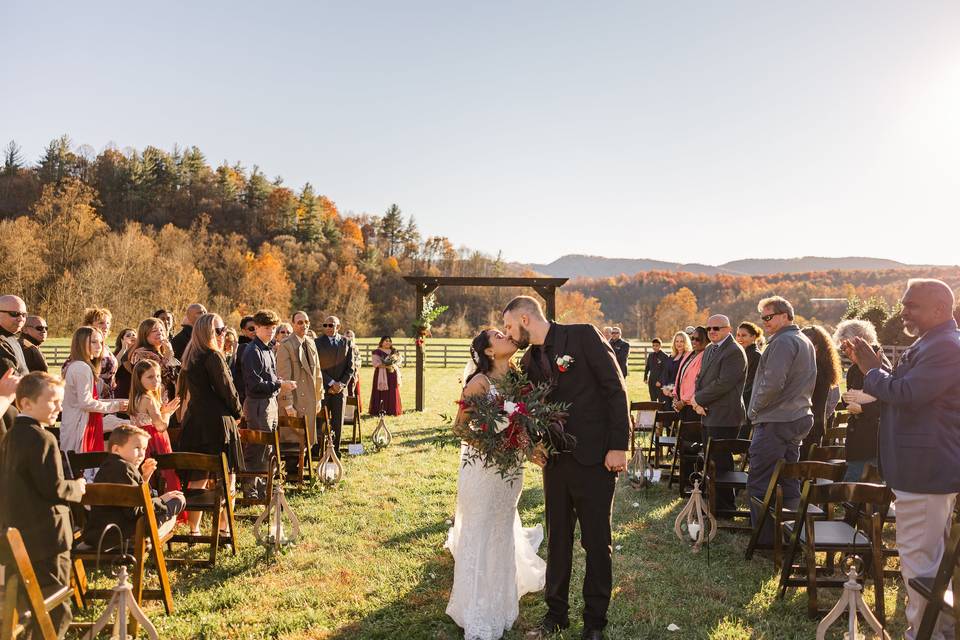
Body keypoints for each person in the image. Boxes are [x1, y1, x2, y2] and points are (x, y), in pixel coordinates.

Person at [503, 296, 629, 640]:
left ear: (526, 319)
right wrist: (533, 444)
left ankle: (594, 623)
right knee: (557, 540)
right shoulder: (529, 359)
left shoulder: (583, 336)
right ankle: (555, 615)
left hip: (596, 459)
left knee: (596, 541)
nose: (509, 335)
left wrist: (619, 446)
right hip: (555, 463)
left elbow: (615, 390)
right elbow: (527, 409)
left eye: (510, 327)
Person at [845, 278, 960, 640]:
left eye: (911, 305)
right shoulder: (931, 342)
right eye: (903, 304)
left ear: (940, 309)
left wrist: (871, 370)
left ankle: (922, 634)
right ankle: (938, 629)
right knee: (930, 559)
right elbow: (911, 388)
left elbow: (909, 394)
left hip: (924, 470)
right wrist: (881, 368)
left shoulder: (946, 347)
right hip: (919, 468)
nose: (903, 311)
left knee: (919, 561)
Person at [445, 329, 546, 639]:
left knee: (502, 529)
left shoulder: (517, 380)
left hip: (510, 472)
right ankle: (475, 606)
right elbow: (459, 428)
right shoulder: (478, 383)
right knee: (481, 531)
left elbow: (522, 423)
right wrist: (491, 445)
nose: (507, 336)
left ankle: (501, 602)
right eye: (499, 335)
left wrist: (529, 451)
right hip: (484, 470)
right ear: (488, 352)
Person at [0, 372, 86, 638]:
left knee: (28, 600)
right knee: (58, 604)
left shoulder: (11, 436)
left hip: (20, 533)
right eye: (52, 402)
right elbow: (55, 488)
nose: (59, 408)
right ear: (25, 403)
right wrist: (79, 488)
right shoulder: (42, 438)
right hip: (48, 537)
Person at [745, 296, 816, 545]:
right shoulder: (803, 340)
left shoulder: (783, 342)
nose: (764, 322)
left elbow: (772, 383)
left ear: (785, 315)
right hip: (797, 417)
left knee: (759, 480)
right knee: (788, 479)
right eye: (762, 318)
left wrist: (754, 409)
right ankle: (794, 536)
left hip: (775, 420)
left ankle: (765, 540)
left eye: (769, 317)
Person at [177, 313, 243, 536]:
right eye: (219, 331)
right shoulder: (213, 356)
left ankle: (194, 530)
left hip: (195, 422)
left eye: (223, 330)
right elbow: (227, 389)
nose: (223, 334)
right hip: (217, 423)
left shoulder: (190, 356)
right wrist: (238, 412)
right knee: (227, 477)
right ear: (208, 333)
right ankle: (225, 529)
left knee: (198, 477)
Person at [81, 424, 185, 547]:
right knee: (177, 500)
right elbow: (135, 511)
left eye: (144, 448)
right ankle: (148, 540)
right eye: (137, 448)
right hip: (124, 533)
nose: (142, 454)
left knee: (169, 505)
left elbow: (133, 499)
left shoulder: (108, 466)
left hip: (101, 533)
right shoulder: (125, 467)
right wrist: (162, 500)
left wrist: (144, 478)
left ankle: (149, 537)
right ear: (116, 449)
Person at [691, 315, 747, 512]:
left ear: (728, 329)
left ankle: (725, 507)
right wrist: (697, 401)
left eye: (717, 328)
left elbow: (723, 384)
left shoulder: (734, 351)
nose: (712, 331)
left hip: (725, 416)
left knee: (721, 462)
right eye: (709, 329)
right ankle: (711, 500)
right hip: (707, 412)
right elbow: (700, 378)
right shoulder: (709, 349)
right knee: (710, 459)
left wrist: (699, 400)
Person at [241, 309, 296, 497]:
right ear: (256, 328)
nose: (270, 331)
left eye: (273, 328)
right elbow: (254, 385)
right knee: (257, 448)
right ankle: (250, 491)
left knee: (269, 447)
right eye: (266, 328)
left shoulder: (268, 348)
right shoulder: (252, 351)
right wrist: (280, 383)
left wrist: (278, 382)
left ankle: (264, 488)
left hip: (270, 403)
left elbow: (269, 377)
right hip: (257, 405)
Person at [833, 319, 889, 482]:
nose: (845, 352)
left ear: (860, 342)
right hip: (857, 441)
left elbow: (889, 403)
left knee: (854, 493)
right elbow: (851, 397)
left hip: (872, 442)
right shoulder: (853, 369)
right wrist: (847, 401)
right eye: (842, 348)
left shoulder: (880, 366)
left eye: (847, 347)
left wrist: (862, 408)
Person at [60, 326, 127, 455]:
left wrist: (120, 402)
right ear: (80, 343)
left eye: (101, 343)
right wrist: (116, 406)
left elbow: (90, 400)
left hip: (80, 423)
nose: (99, 346)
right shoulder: (81, 368)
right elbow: (86, 403)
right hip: (79, 428)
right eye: (93, 342)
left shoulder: (80, 366)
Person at [129, 359, 182, 493]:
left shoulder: (136, 396)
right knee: (164, 474)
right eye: (150, 377)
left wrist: (163, 410)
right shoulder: (148, 399)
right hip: (154, 440)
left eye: (158, 376)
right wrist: (168, 414)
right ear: (139, 379)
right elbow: (161, 426)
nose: (156, 380)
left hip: (140, 437)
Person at [276, 311, 324, 448]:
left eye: (306, 322)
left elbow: (318, 373)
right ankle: (293, 469)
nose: (304, 325)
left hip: (310, 401)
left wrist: (319, 397)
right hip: (295, 401)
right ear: (293, 324)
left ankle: (302, 468)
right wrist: (288, 405)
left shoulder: (310, 343)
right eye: (300, 322)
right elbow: (283, 377)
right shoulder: (286, 345)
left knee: (307, 441)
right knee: (293, 443)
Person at [799, 325, 842, 459]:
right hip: (813, 425)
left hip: (808, 427)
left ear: (817, 347)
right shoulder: (816, 366)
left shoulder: (817, 370)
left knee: (801, 469)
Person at [315, 316, 355, 453]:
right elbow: (316, 367)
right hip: (323, 389)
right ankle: (318, 450)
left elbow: (350, 368)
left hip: (340, 391)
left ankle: (335, 452)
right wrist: (331, 383)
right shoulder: (317, 343)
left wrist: (341, 384)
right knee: (320, 421)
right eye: (325, 325)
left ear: (338, 327)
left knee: (338, 422)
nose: (328, 328)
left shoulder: (346, 342)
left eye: (331, 325)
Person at [127, 317, 178, 401]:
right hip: (151, 400)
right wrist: (168, 355)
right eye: (154, 331)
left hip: (167, 398)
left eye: (161, 330)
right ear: (145, 335)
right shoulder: (141, 353)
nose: (159, 333)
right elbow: (156, 374)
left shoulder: (160, 353)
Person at [672, 326, 708, 422]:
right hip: (680, 402)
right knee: (680, 434)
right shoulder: (689, 354)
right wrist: (675, 395)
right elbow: (679, 375)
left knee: (690, 435)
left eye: (698, 339)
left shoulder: (705, 357)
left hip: (692, 405)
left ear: (707, 341)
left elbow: (698, 382)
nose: (694, 341)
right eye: (692, 338)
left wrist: (683, 401)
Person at [735, 321, 764, 439]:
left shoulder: (755, 355)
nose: (740, 338)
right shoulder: (742, 353)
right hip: (740, 397)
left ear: (753, 337)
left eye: (744, 335)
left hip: (747, 400)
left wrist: (738, 398)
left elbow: (750, 383)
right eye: (738, 335)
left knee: (742, 438)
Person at [84, 307, 118, 399]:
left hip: (108, 396)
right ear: (89, 325)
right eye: (101, 323)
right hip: (93, 395)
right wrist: (101, 384)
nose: (106, 326)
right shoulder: (86, 346)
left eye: (107, 323)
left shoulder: (105, 346)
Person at [369, 336, 403, 416]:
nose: (388, 342)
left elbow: (399, 361)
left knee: (392, 390)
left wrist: (394, 363)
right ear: (381, 342)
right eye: (386, 341)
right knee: (381, 391)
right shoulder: (377, 351)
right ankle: (379, 410)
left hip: (392, 373)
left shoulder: (394, 351)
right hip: (380, 374)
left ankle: (391, 410)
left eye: (389, 341)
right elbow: (375, 364)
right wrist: (386, 366)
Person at [660, 331, 692, 407]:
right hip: (666, 393)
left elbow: (684, 377)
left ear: (686, 343)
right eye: (677, 341)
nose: (679, 343)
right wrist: (665, 388)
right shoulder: (671, 357)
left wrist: (672, 390)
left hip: (679, 394)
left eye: (682, 341)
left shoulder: (688, 357)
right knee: (666, 417)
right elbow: (665, 373)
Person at [0, 294, 29, 377]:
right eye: (14, 313)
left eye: (24, 315)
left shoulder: (10, 337)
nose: (21, 319)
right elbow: (10, 380)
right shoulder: (2, 342)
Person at [231, 315, 256, 403]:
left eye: (257, 327)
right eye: (251, 329)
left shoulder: (256, 345)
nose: (255, 331)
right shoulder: (244, 347)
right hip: (246, 397)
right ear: (243, 331)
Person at [643, 337, 670, 403]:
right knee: (653, 400)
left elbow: (665, 370)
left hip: (659, 382)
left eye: (656, 346)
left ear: (660, 345)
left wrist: (660, 381)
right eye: (653, 345)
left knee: (661, 400)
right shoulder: (650, 355)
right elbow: (647, 367)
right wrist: (645, 377)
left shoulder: (665, 356)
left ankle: (660, 413)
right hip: (651, 380)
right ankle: (654, 413)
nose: (654, 347)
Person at [112, 328, 137, 399]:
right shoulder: (117, 354)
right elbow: (114, 367)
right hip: (122, 390)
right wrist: (123, 349)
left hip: (136, 390)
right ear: (122, 340)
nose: (132, 337)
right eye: (128, 335)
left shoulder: (140, 353)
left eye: (134, 335)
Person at [344, 329, 363, 414]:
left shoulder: (355, 347)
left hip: (354, 372)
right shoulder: (342, 346)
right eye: (348, 336)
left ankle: (352, 411)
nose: (349, 337)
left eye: (351, 336)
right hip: (344, 372)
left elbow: (359, 359)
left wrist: (356, 368)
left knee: (353, 391)